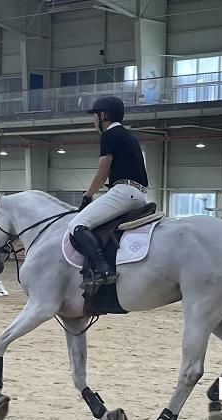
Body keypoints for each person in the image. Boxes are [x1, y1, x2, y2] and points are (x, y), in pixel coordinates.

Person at [68, 96, 149, 288]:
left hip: (123, 191)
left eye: (94, 116)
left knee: (77, 224)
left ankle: (103, 269)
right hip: (140, 195)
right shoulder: (129, 136)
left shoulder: (109, 136)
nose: (93, 121)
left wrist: (87, 196)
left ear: (103, 115)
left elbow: (102, 172)